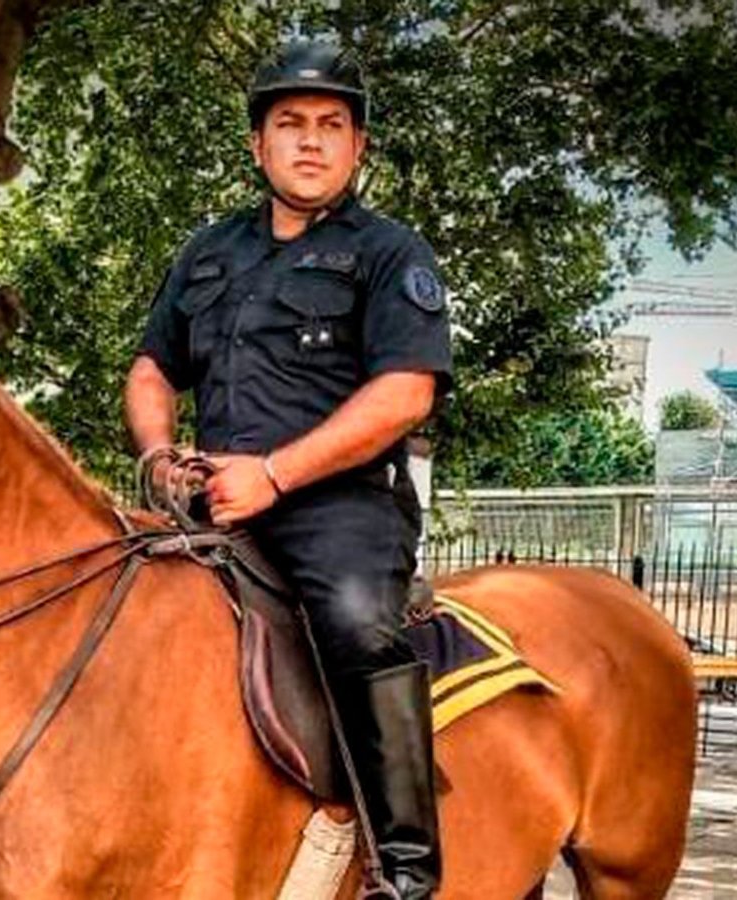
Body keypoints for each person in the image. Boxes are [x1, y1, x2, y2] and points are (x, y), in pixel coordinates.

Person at [123, 39, 451, 899]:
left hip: (339, 508)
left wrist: (273, 474)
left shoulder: (389, 252)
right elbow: (154, 367)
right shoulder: (206, 251)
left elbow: (405, 393)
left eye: (331, 126)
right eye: (290, 124)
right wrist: (158, 452)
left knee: (354, 627)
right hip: (209, 500)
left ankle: (405, 868)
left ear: (358, 147)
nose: (311, 141)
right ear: (257, 145)